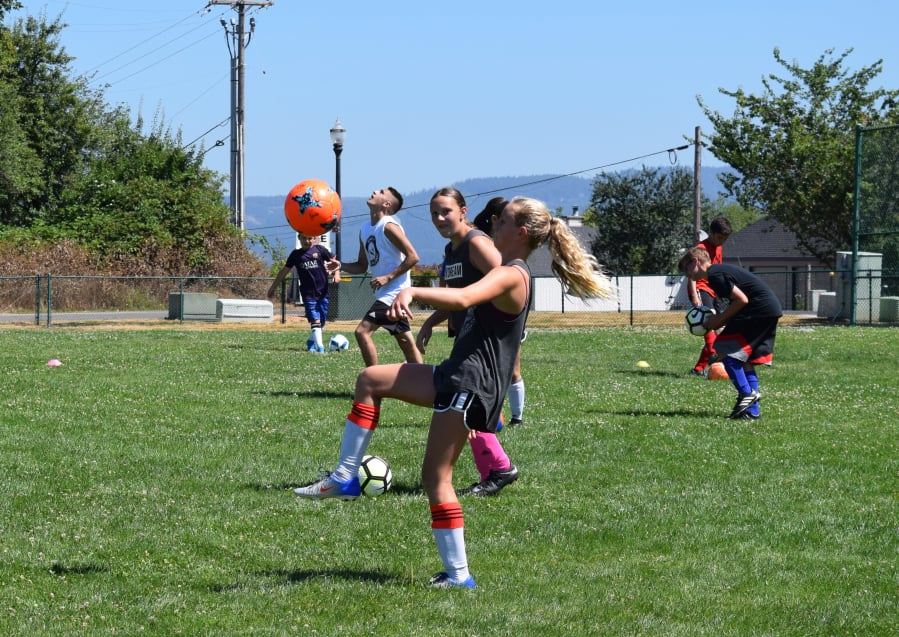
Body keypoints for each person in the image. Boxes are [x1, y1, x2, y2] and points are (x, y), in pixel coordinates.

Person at [294, 197, 615, 589]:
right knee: (370, 380)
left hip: (471, 384)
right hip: (455, 374)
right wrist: (431, 316)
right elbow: (463, 298)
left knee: (436, 477)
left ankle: (459, 575)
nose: (493, 225)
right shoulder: (505, 269)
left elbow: (463, 298)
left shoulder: (513, 273)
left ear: (521, 233)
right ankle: (345, 476)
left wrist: (414, 293)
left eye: (502, 221)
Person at [417, 189, 517, 497]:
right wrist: (430, 323)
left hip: (484, 342)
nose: (439, 219)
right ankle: (497, 468)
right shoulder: (451, 251)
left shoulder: (477, 243)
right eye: (434, 213)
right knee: (462, 406)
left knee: (460, 402)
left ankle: (499, 468)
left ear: (463, 210)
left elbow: (505, 279)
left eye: (445, 211)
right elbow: (454, 298)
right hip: (465, 338)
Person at [679, 246, 782, 420]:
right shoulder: (718, 272)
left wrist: (717, 321)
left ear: (696, 262)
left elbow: (742, 300)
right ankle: (752, 412)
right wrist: (720, 320)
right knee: (745, 360)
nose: (687, 275)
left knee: (727, 351)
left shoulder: (715, 275)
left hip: (758, 310)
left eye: (686, 269)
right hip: (768, 309)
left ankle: (746, 394)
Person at [334, 187, 423, 366]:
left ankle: (373, 382)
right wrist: (340, 265)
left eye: (381, 192)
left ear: (386, 204)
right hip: (384, 293)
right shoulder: (365, 229)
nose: (375, 191)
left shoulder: (388, 226)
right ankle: (427, 383)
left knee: (362, 332)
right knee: (405, 342)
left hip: (395, 293)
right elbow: (361, 266)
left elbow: (413, 256)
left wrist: (387, 277)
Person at [473, 197, 526, 427]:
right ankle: (491, 415)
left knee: (512, 370)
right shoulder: (479, 243)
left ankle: (516, 418)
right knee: (482, 372)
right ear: (494, 220)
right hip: (481, 319)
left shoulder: (509, 263)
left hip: (505, 319)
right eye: (503, 220)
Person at [267, 234, 340, 352]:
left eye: (309, 238)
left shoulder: (320, 250)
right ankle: (320, 349)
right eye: (304, 238)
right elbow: (284, 271)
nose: (306, 241)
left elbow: (335, 262)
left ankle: (311, 340)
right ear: (299, 238)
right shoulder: (296, 255)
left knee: (321, 322)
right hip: (308, 294)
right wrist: (273, 287)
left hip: (323, 292)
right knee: (315, 320)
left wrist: (337, 275)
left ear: (314, 238)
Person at [687, 216, 733, 375]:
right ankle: (721, 357)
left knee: (718, 326)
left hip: (713, 291)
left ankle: (698, 369)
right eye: (720, 238)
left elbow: (717, 270)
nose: (722, 242)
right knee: (711, 326)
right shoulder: (701, 248)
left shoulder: (719, 248)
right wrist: (694, 296)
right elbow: (692, 274)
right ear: (712, 233)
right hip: (701, 289)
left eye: (725, 239)